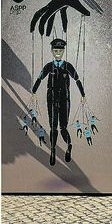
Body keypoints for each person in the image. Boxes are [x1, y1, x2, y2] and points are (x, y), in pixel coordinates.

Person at [31, 38, 85, 166]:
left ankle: (69, 146)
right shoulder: (49, 66)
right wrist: (33, 92)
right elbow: (40, 78)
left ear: (63, 51)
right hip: (51, 99)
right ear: (52, 51)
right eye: (55, 51)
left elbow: (77, 79)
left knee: (63, 128)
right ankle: (53, 151)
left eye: (60, 51)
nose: (58, 53)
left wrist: (83, 95)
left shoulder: (68, 66)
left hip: (64, 99)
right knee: (53, 127)